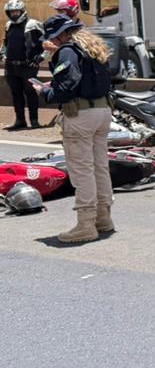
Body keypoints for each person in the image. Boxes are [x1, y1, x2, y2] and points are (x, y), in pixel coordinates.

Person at [34, 15, 114, 242]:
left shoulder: (68, 51)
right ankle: (103, 218)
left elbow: (67, 86)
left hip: (80, 116)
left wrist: (46, 92)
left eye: (54, 38)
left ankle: (86, 225)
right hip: (102, 111)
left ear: (62, 34)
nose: (53, 43)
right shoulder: (93, 46)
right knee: (100, 167)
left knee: (82, 170)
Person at [4, 0, 44, 130]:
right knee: (16, 94)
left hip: (28, 67)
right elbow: (6, 43)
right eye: (12, 12)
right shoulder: (9, 25)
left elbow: (47, 42)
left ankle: (34, 121)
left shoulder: (33, 24)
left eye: (16, 11)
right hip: (11, 67)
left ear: (22, 11)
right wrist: (3, 54)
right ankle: (20, 120)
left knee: (31, 93)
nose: (14, 14)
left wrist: (39, 58)